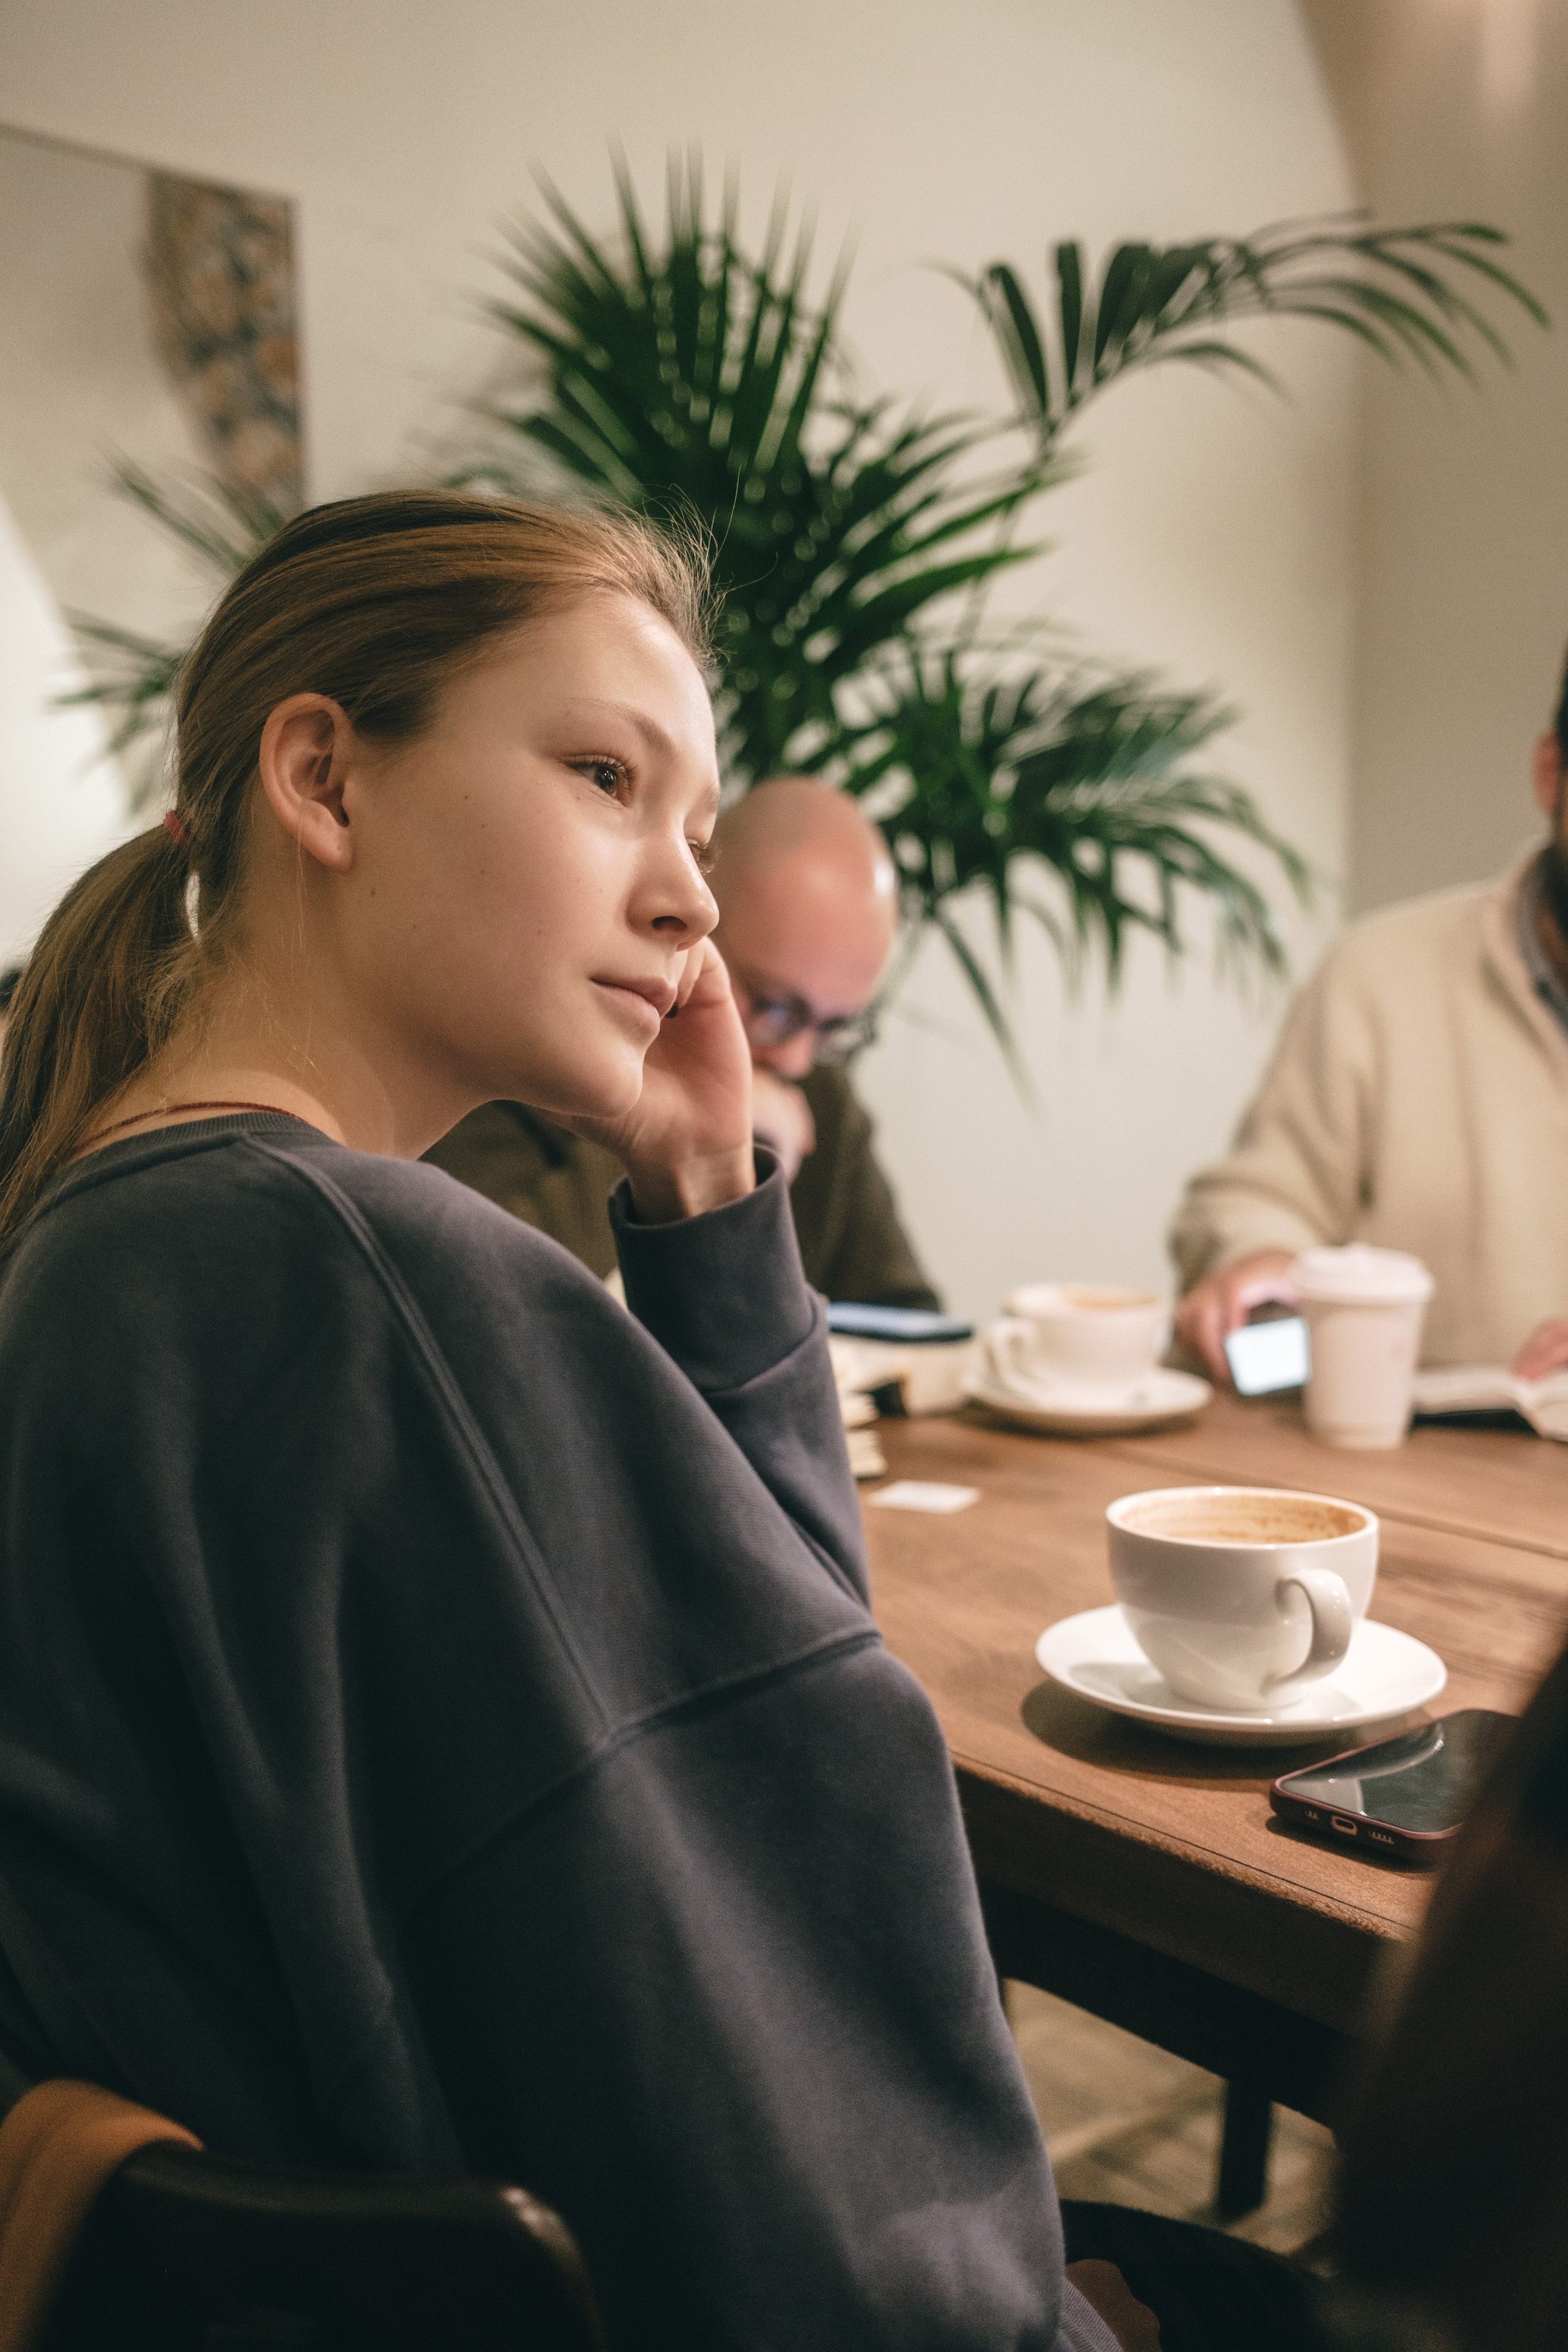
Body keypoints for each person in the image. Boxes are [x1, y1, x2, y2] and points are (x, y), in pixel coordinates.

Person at [0, 492, 1169, 2350]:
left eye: (696, 827)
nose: (689, 895)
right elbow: (806, 1929)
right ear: (323, 775)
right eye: (604, 774)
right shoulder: (378, 1286)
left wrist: (708, 1187)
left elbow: (748, 1772)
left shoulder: (109, 1239)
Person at [1172, 649, 1568, 1381]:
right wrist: (1260, 1259)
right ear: (1551, 774)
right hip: (1394, 1465)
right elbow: (1261, 1197)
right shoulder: (1380, 972)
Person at [425, 776, 940, 1308]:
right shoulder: (523, 1053)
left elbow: (912, 1321)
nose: (797, 1056)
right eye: (775, 1007)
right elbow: (462, 1296)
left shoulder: (816, 1097)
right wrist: (677, 1144)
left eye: (833, 1028)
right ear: (688, 926)